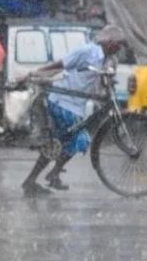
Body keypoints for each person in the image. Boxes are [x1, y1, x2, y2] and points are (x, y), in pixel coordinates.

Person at [16, 24, 127, 196]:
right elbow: (60, 65)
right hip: (63, 102)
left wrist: (108, 81)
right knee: (74, 141)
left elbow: (104, 79)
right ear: (109, 42)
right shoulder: (87, 52)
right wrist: (32, 74)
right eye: (118, 43)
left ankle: (42, 178)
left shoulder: (108, 58)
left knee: (65, 143)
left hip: (76, 105)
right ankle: (40, 178)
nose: (120, 47)